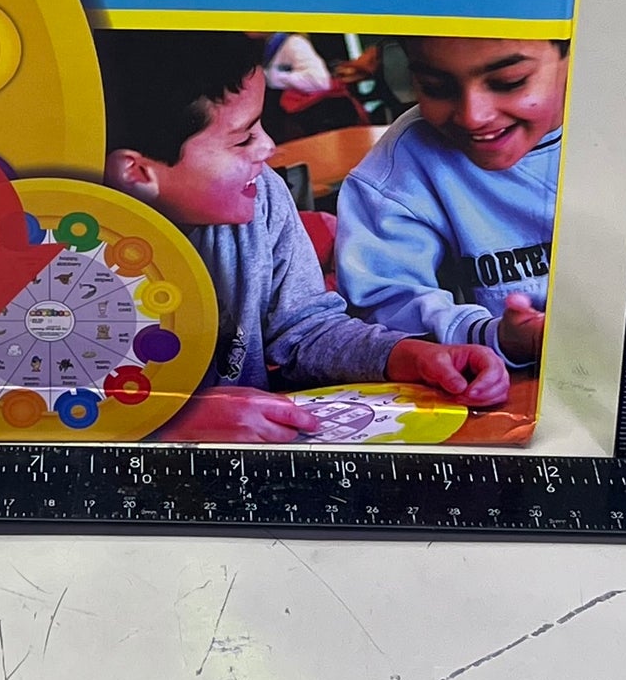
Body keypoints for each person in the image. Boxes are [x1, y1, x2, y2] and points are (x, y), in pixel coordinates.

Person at [97, 31, 509, 443]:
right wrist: (170, 421)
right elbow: (63, 401)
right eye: (243, 138)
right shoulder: (72, 253)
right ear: (137, 173)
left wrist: (406, 356)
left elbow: (304, 329)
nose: (269, 147)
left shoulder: (261, 194)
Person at [334, 35, 567, 367]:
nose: (473, 117)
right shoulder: (394, 173)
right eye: (436, 87)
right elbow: (383, 313)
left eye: (509, 82)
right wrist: (493, 336)